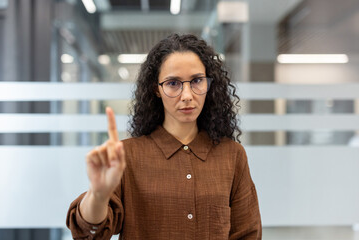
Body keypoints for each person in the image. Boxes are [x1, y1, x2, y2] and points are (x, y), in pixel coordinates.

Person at [66, 33, 262, 240]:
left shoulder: (231, 155)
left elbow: (247, 234)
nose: (187, 95)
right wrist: (98, 195)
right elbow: (88, 234)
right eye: (173, 83)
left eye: (197, 81)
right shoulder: (127, 155)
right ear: (156, 89)